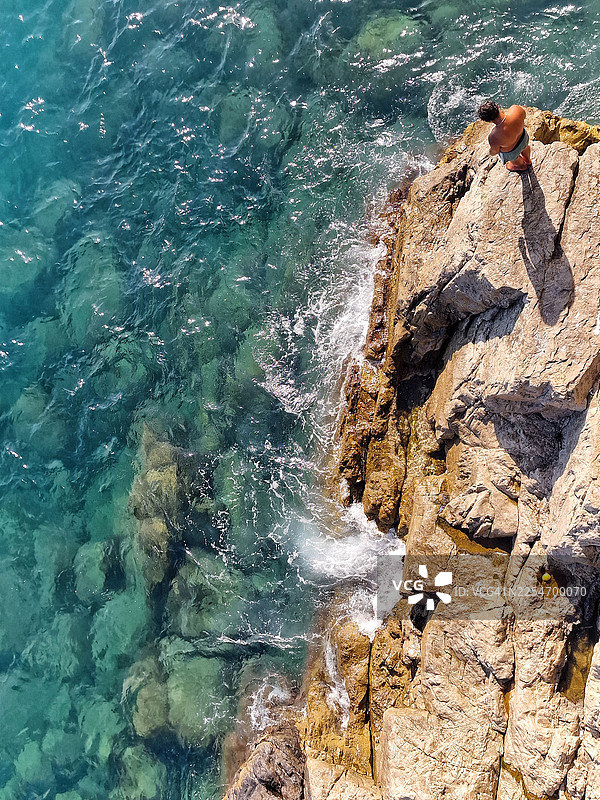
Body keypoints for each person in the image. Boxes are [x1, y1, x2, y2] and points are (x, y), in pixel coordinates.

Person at [477, 101, 532, 172]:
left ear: (489, 121)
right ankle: (528, 160)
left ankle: (521, 166)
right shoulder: (515, 109)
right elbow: (524, 116)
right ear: (497, 106)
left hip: (512, 152)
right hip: (524, 138)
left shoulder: (494, 136)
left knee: (514, 159)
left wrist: (490, 152)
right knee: (525, 147)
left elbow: (495, 151)